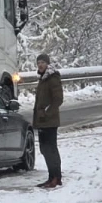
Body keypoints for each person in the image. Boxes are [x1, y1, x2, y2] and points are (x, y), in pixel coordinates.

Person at [33, 53, 64, 189]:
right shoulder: (43, 79)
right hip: (42, 121)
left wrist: (46, 112)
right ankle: (51, 177)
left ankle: (56, 178)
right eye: (38, 62)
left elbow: (58, 99)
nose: (40, 65)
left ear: (47, 64)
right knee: (45, 149)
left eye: (43, 62)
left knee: (51, 149)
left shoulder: (52, 78)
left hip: (49, 122)